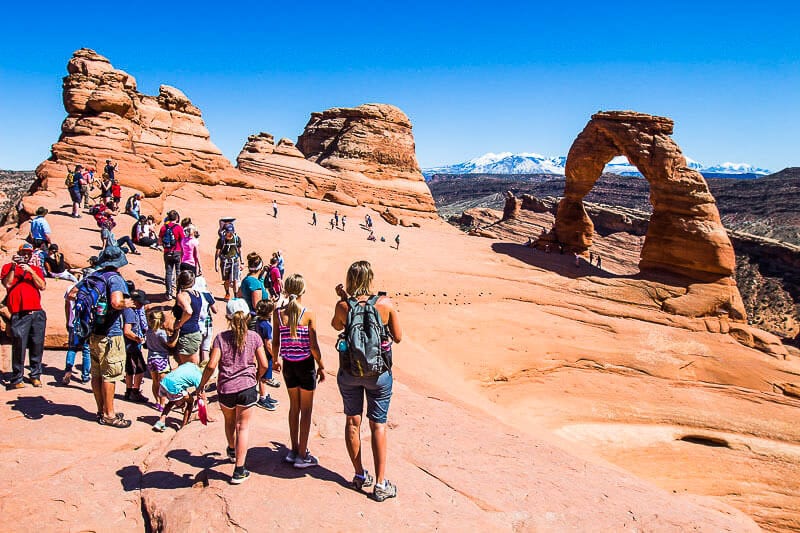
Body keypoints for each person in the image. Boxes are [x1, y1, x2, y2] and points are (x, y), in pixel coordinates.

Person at [331, 260, 403, 501]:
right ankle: (381, 484)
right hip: (379, 374)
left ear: (350, 280)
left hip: (350, 372)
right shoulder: (385, 304)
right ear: (371, 279)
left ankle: (360, 475)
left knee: (353, 421)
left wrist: (345, 300)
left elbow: (336, 325)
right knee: (378, 425)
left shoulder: (343, 306)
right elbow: (399, 337)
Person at [197, 298, 270, 484]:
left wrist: (202, 385)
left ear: (228, 317)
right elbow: (263, 363)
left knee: (230, 421)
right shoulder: (254, 337)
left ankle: (231, 448)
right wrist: (257, 377)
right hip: (246, 386)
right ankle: (239, 470)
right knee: (242, 427)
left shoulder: (220, 338)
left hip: (226, 388)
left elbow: (212, 364)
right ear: (247, 316)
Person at [81, 245, 138, 427]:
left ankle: (101, 409)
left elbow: (73, 294)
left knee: (96, 374)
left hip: (94, 332)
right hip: (110, 334)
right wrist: (126, 302)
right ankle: (109, 414)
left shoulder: (94, 276)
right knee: (110, 375)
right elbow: (115, 301)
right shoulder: (116, 279)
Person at [273, 273, 325, 469]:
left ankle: (293, 450)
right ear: (303, 291)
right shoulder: (308, 314)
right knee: (307, 410)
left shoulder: (278, 313)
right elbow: (313, 346)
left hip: (288, 365)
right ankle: (302, 455)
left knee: (294, 408)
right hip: (305, 365)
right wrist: (321, 365)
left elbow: (276, 341)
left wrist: (275, 360)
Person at [2, 243, 47, 389]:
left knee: (37, 345)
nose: (26, 255)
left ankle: (35, 375)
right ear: (18, 252)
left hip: (37, 312)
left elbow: (42, 286)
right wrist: (15, 267)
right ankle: (17, 378)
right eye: (23, 253)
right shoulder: (8, 268)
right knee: (19, 346)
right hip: (20, 314)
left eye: (28, 253)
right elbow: (7, 284)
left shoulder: (35, 269)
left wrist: (31, 272)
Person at [152, 360, 203, 432]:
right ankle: (183, 426)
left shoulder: (189, 364)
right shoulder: (200, 377)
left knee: (172, 401)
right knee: (190, 401)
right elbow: (200, 395)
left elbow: (176, 371)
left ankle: (161, 421)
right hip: (174, 387)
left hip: (165, 382)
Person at [122, 289, 149, 403]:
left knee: (129, 369)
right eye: (141, 303)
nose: (142, 305)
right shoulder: (130, 312)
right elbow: (127, 331)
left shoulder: (128, 310)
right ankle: (135, 392)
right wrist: (138, 339)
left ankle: (128, 392)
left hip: (127, 345)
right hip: (131, 345)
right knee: (140, 368)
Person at [62, 280, 91, 385]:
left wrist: (67, 320)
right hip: (86, 324)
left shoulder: (70, 288)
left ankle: (68, 371)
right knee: (86, 350)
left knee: (72, 348)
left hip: (73, 322)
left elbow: (67, 306)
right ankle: (85, 376)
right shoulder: (91, 289)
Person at [145, 310, 174, 412]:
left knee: (155, 381)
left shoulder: (148, 332)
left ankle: (157, 401)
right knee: (163, 383)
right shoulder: (162, 333)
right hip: (161, 359)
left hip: (151, 358)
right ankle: (162, 403)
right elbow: (169, 344)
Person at [171, 270, 203, 364]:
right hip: (195, 331)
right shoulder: (197, 294)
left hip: (186, 333)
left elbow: (188, 311)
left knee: (186, 367)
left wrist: (180, 324)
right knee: (193, 365)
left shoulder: (182, 295)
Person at [254, 299, 280, 398]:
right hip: (266, 354)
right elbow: (268, 343)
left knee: (260, 372)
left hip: (260, 350)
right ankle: (263, 397)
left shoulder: (258, 321)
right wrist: (274, 356)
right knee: (264, 377)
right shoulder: (267, 326)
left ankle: (258, 392)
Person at [159, 210, 186, 300]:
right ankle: (179, 293)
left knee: (168, 273)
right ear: (177, 218)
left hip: (167, 252)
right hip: (177, 252)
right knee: (178, 272)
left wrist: (165, 247)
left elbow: (159, 241)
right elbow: (183, 241)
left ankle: (169, 293)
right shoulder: (179, 228)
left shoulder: (163, 228)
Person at [193, 276, 217, 363]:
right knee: (205, 350)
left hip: (195, 325)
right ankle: (205, 371)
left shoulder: (192, 294)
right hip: (207, 324)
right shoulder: (207, 294)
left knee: (196, 351)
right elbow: (215, 310)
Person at [215, 224, 241, 300]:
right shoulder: (221, 240)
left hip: (235, 261)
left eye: (231, 232)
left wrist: (241, 262)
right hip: (225, 262)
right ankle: (227, 293)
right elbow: (217, 252)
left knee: (235, 279)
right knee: (226, 280)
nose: (229, 234)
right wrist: (216, 264)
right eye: (228, 232)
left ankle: (235, 296)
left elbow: (239, 250)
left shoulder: (236, 239)